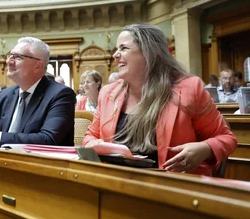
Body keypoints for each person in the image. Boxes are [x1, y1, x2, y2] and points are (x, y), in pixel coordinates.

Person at [83, 24, 237, 176]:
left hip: (172, 187)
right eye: (117, 49)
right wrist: (100, 146)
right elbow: (89, 137)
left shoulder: (190, 89)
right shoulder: (108, 93)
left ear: (149, 53)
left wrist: (205, 149)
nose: (115, 55)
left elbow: (227, 138)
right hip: (117, 183)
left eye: (123, 48)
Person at [0, 37, 76, 146]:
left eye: (18, 57)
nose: (9, 61)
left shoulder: (61, 94)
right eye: (10, 55)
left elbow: (48, 139)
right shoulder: (5, 95)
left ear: (38, 65)